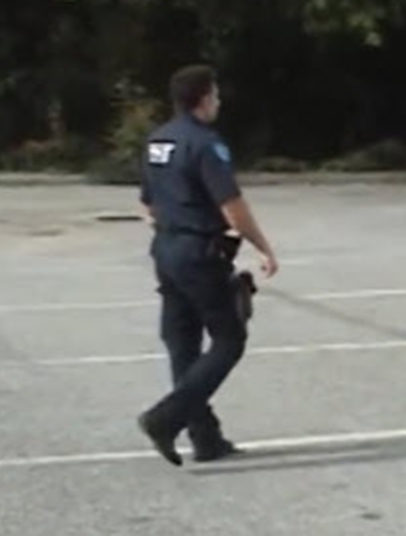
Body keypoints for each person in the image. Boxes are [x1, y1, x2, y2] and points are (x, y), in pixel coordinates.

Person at [137, 64, 278, 466]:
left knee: (182, 343)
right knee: (229, 339)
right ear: (202, 98)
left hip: (166, 247)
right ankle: (165, 419)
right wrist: (263, 247)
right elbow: (232, 205)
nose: (218, 101)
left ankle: (205, 437)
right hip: (199, 252)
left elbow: (147, 204)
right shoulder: (205, 144)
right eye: (215, 94)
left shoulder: (158, 140)